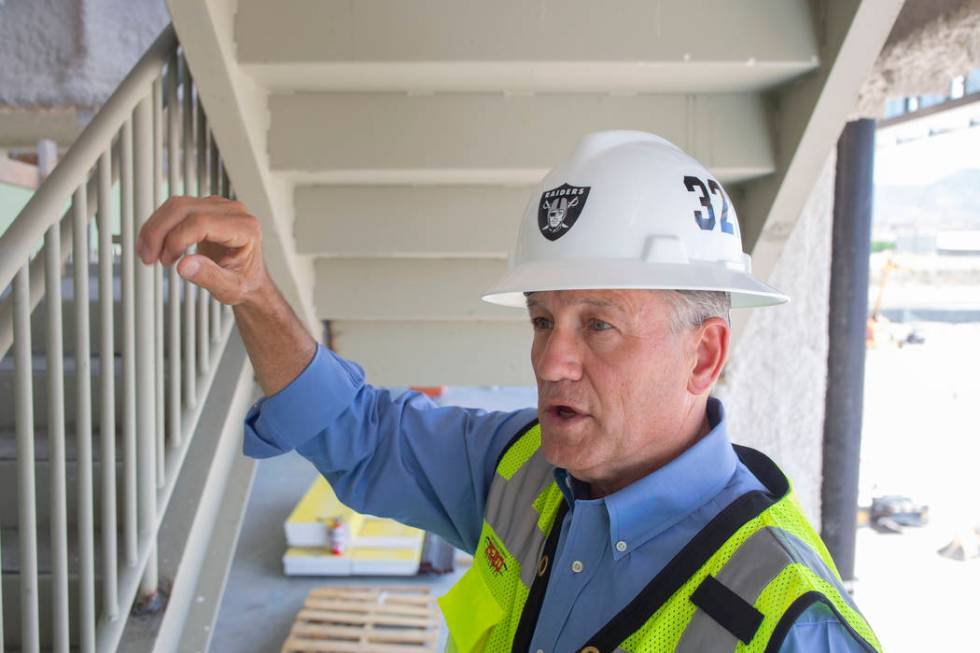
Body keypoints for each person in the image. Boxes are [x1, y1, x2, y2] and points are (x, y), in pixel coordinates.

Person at [136, 131, 881, 652]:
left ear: (704, 354)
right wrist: (255, 293)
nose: (550, 359)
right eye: (542, 317)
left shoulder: (788, 623)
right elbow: (358, 432)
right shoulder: (522, 470)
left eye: (598, 324)